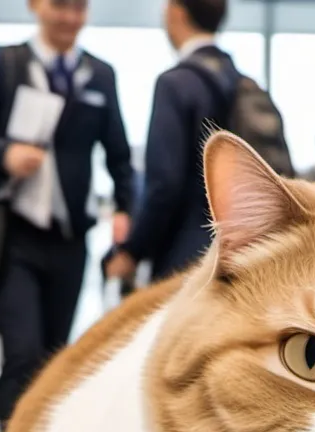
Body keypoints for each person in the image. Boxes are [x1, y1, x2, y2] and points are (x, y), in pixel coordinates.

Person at [0, 0, 134, 429]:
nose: (71, 18)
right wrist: (4, 152)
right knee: (22, 353)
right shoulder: (6, 63)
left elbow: (119, 155)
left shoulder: (99, 75)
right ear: (35, 5)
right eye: (60, 6)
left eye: (81, 8)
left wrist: (125, 209)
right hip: (13, 236)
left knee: (54, 358)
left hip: (70, 241)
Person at [105, 0, 234, 283]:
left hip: (184, 256)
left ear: (176, 13)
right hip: (236, 252)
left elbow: (164, 185)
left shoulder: (175, 84)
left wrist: (132, 251)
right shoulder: (240, 80)